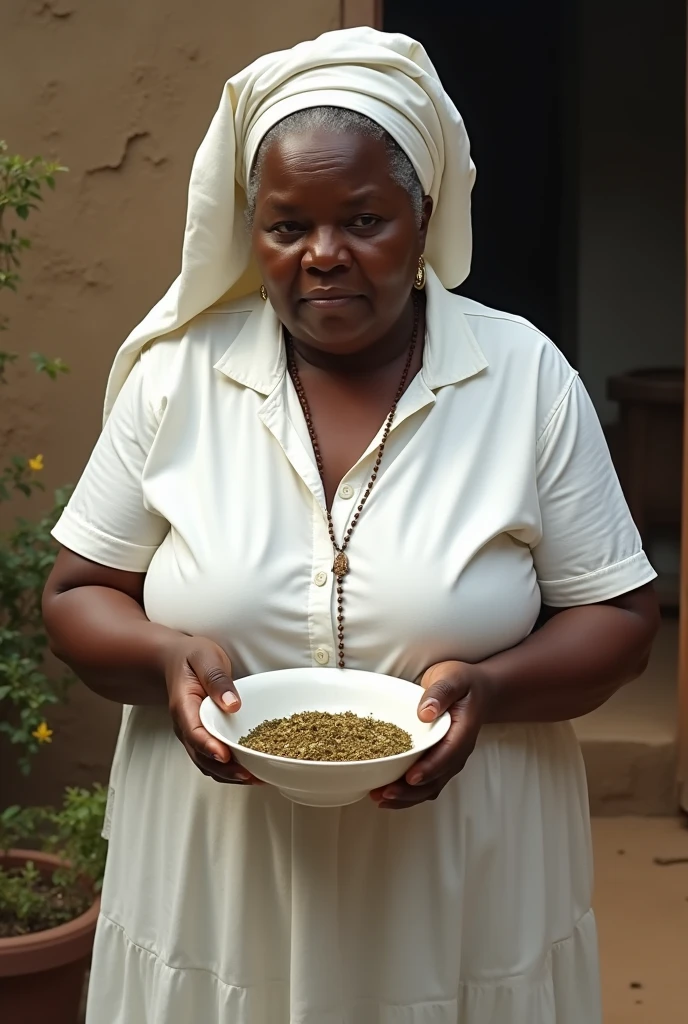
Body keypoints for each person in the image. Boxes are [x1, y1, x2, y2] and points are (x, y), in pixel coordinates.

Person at [42, 26, 659, 1024]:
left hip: (463, 873)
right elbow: (76, 594)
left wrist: (489, 691)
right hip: (219, 871)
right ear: (254, 234)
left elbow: (620, 617)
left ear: (423, 218)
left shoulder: (520, 377)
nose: (323, 256)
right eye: (287, 227)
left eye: (364, 218)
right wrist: (166, 658)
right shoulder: (179, 380)